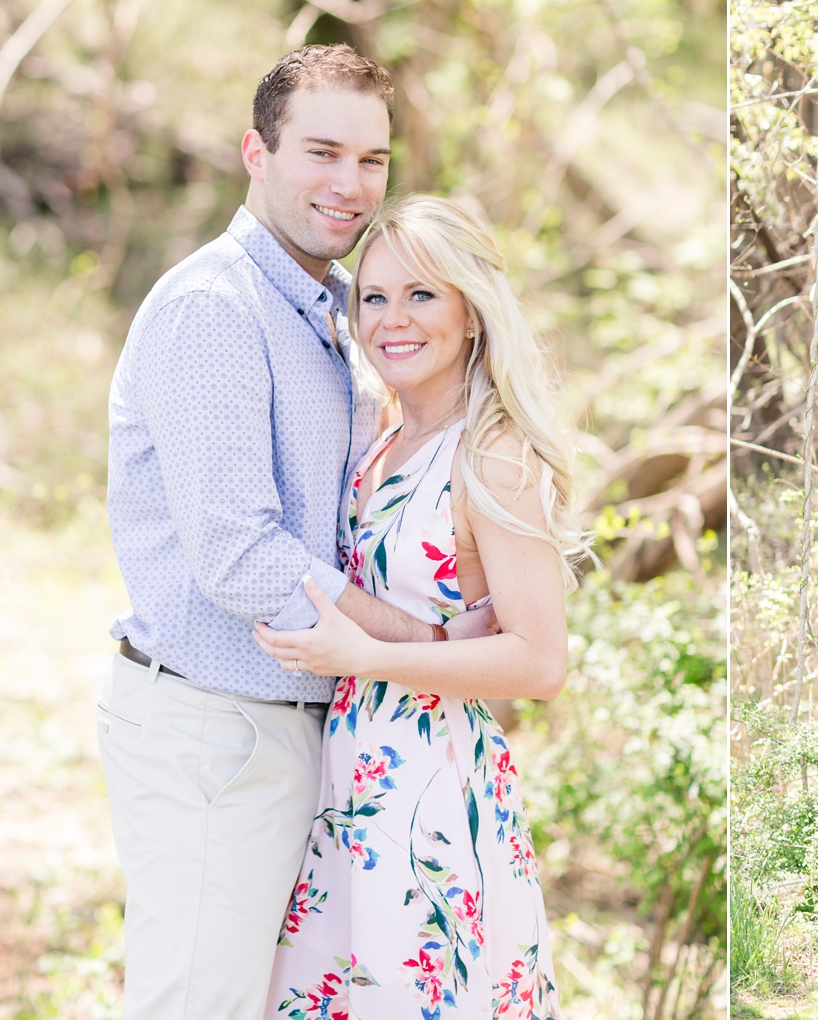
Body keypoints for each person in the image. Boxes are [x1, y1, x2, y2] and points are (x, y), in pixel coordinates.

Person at [99, 45, 489, 1019]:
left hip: (296, 734)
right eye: (322, 152)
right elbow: (242, 552)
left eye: (372, 161)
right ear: (255, 153)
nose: (350, 186)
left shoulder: (326, 313)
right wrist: (425, 645)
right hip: (216, 729)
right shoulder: (216, 309)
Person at [253, 196, 582, 1019]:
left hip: (432, 788)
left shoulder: (493, 452)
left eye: (422, 295)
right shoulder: (380, 439)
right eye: (374, 296)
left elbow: (541, 661)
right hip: (351, 783)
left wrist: (371, 658)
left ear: (471, 311)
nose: (392, 319)